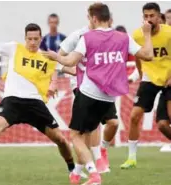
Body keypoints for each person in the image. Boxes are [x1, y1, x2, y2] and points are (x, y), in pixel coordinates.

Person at [42, 3, 153, 184]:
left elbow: (70, 59)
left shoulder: (87, 37)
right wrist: (147, 34)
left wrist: (56, 58)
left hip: (87, 93)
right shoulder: (123, 38)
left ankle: (94, 173)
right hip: (109, 97)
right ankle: (77, 174)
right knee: (86, 133)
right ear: (109, 18)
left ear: (93, 18)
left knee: (76, 136)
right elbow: (148, 55)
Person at [0, 23, 77, 176]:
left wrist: (95, 69)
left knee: (61, 140)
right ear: (25, 38)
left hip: (35, 104)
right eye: (29, 39)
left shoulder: (47, 58)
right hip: (12, 101)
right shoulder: (14, 48)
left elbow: (71, 69)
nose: (32, 42)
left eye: (36, 39)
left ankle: (72, 168)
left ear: (40, 39)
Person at [58, 20, 119, 175]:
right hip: (81, 86)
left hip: (102, 85)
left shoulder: (108, 36)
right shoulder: (77, 35)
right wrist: (68, 70)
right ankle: (97, 162)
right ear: (92, 18)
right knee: (89, 127)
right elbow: (59, 58)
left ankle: (84, 166)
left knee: (112, 123)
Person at [121, 2, 171, 169]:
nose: (149, 19)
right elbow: (137, 56)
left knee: (164, 125)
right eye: (146, 16)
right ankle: (131, 158)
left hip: (169, 79)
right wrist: (142, 75)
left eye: (152, 16)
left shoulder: (169, 33)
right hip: (150, 79)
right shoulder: (137, 35)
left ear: (159, 17)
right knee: (134, 116)